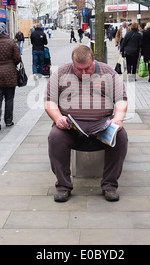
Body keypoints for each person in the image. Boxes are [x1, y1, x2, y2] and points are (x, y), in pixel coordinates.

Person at [45, 45, 128, 202]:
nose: (83, 73)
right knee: (55, 136)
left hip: (102, 125)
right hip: (70, 127)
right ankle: (63, 186)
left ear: (93, 61)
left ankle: (109, 185)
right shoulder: (61, 73)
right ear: (73, 63)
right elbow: (50, 101)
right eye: (78, 69)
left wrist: (118, 118)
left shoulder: (108, 73)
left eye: (87, 68)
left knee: (121, 136)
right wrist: (58, 118)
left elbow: (121, 99)